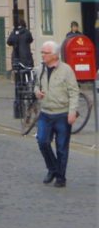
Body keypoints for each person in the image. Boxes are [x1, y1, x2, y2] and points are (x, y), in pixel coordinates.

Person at [32, 40, 76, 187]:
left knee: (62, 148)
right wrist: (37, 92)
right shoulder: (40, 69)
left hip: (62, 114)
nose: (42, 55)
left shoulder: (66, 70)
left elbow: (74, 92)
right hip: (45, 112)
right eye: (42, 52)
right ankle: (52, 169)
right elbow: (36, 86)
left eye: (45, 53)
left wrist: (72, 112)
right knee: (42, 141)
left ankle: (60, 178)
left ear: (55, 55)